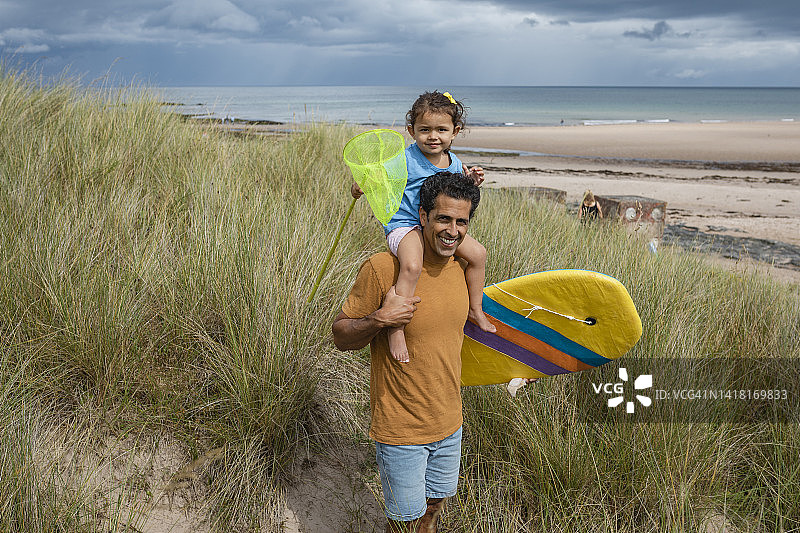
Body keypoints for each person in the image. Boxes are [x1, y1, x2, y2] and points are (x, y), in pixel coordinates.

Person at [333, 172, 481, 533]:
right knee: (403, 522)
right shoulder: (384, 268)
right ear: (422, 216)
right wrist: (379, 319)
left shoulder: (463, 268)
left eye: (461, 221)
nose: (452, 230)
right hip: (401, 429)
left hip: (450, 423)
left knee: (432, 511)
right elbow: (340, 335)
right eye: (443, 218)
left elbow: (460, 337)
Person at [350, 91, 495, 365]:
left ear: (455, 132)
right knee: (413, 265)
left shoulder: (453, 162)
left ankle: (475, 308)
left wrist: (473, 180)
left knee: (478, 254)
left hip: (436, 229)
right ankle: (397, 327)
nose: (433, 136)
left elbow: (457, 196)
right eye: (424, 130)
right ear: (411, 131)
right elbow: (374, 178)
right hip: (405, 225)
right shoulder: (404, 160)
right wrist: (361, 185)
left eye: (442, 130)